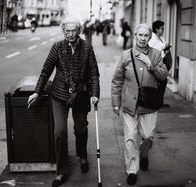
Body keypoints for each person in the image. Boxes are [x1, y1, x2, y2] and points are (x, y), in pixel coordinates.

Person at [28, 16, 100, 186]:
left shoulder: (87, 48)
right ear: (63, 31)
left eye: (73, 30)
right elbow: (46, 70)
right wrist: (37, 92)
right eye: (67, 31)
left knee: (80, 127)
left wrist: (95, 93)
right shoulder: (58, 47)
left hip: (81, 94)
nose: (70, 34)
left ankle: (82, 155)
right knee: (59, 132)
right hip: (59, 93)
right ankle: (62, 171)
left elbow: (93, 73)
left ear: (79, 31)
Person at [111, 23, 168, 185]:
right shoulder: (126, 55)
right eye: (140, 35)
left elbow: (163, 75)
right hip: (130, 105)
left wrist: (150, 65)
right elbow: (117, 80)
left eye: (146, 35)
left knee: (148, 136)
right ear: (135, 36)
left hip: (149, 104)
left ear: (149, 37)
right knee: (130, 139)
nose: (142, 38)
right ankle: (131, 170)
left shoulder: (156, 54)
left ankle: (144, 154)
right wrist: (116, 103)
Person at [149, 20, 172, 107]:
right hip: (155, 63)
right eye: (162, 28)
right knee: (160, 81)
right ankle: (156, 102)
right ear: (156, 29)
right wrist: (163, 47)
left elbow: (162, 51)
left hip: (162, 62)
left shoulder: (162, 39)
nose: (163, 30)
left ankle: (159, 101)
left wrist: (166, 50)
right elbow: (151, 51)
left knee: (162, 82)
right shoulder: (152, 39)